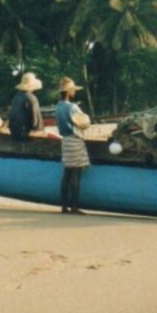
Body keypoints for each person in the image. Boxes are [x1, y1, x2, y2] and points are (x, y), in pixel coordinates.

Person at [55, 77, 91, 214]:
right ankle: (74, 206)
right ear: (69, 92)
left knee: (67, 173)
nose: (74, 92)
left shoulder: (58, 106)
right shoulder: (72, 107)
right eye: (73, 90)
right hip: (75, 140)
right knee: (76, 173)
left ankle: (64, 206)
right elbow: (84, 123)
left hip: (65, 140)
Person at [9, 72, 44, 141]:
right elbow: (36, 122)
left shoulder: (16, 96)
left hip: (14, 133)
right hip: (25, 134)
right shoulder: (31, 98)